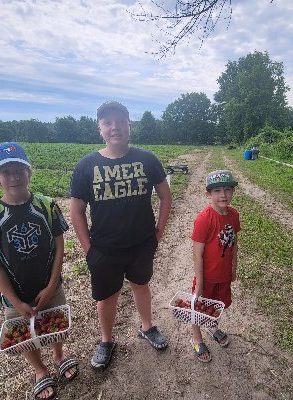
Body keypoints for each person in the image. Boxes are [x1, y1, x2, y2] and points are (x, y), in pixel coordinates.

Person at [69, 101, 172, 369]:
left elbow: (165, 195)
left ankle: (147, 327)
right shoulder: (86, 165)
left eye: (120, 121)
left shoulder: (147, 159)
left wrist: (158, 232)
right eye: (107, 122)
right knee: (107, 297)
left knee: (141, 285)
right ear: (100, 128)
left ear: (129, 125)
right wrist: (88, 248)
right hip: (104, 248)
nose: (114, 127)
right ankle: (106, 341)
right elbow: (77, 210)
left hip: (141, 243)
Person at [0, 142, 78, 400]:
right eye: (6, 172)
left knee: (55, 325)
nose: (14, 177)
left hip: (49, 284)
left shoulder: (47, 205)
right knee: (25, 334)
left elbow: (58, 246)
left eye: (19, 169)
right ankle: (40, 370)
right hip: (15, 292)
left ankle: (58, 355)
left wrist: (52, 284)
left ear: (28, 172)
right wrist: (14, 300)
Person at [190, 170, 240, 363]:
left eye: (228, 189)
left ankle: (212, 325)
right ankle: (197, 337)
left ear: (233, 192)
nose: (223, 195)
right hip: (207, 276)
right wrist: (200, 282)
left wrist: (234, 268)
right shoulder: (204, 219)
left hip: (224, 275)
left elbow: (234, 243)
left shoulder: (234, 215)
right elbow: (197, 253)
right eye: (217, 190)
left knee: (218, 306)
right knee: (198, 307)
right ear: (208, 194)